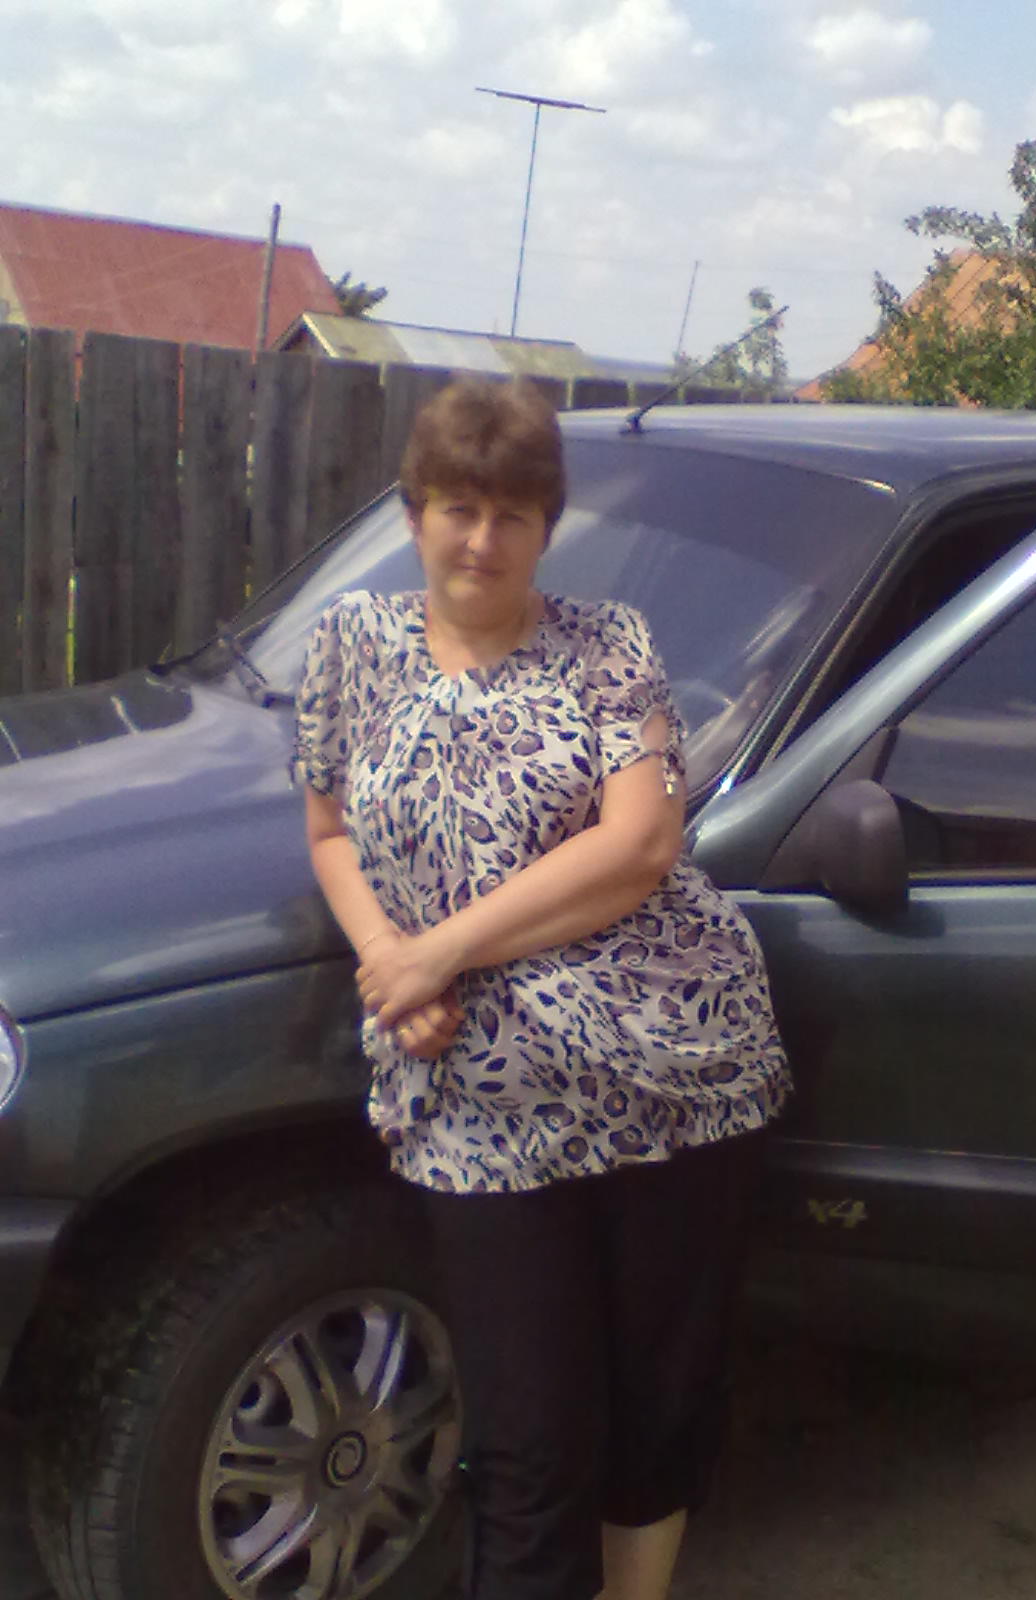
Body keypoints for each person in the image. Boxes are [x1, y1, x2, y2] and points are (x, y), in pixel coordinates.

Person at [292, 377, 792, 1600]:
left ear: (547, 528)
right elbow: (329, 831)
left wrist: (438, 953)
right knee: (528, 1447)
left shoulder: (609, 645)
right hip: (479, 1108)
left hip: (674, 1084)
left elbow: (641, 846)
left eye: (512, 514)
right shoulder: (351, 648)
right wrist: (389, 960)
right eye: (458, 508)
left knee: (658, 1408)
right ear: (414, 513)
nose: (482, 539)